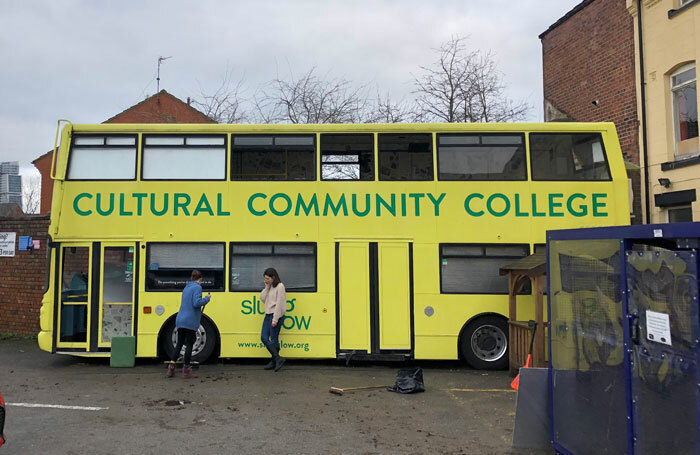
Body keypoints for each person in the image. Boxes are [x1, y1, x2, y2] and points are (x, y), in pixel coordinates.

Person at [167, 270, 211, 379]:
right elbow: (196, 303)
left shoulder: (186, 288)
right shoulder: (197, 287)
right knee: (190, 344)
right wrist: (207, 299)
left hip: (180, 319)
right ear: (200, 279)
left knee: (179, 344)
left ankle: (171, 366)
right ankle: (186, 370)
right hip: (190, 321)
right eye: (201, 281)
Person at [260, 267, 287, 371]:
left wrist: (275, 319)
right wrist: (266, 287)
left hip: (276, 315)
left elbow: (280, 304)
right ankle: (277, 359)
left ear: (273, 277)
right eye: (265, 278)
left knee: (274, 339)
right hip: (267, 315)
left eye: (268, 279)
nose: (266, 280)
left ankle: (274, 361)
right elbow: (262, 298)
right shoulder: (269, 287)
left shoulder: (280, 286)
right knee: (264, 337)